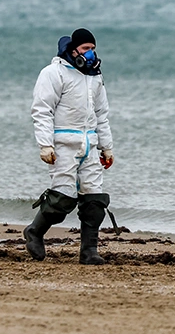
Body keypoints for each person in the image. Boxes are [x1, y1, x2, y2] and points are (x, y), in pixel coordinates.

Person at [24, 28, 115, 265]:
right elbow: (42, 110)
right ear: (74, 49)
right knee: (62, 198)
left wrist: (106, 147)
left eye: (93, 49)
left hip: (90, 144)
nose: (91, 53)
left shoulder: (95, 76)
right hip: (63, 144)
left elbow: (101, 113)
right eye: (86, 49)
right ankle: (34, 231)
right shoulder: (53, 73)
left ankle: (89, 251)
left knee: (95, 199)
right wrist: (45, 145)